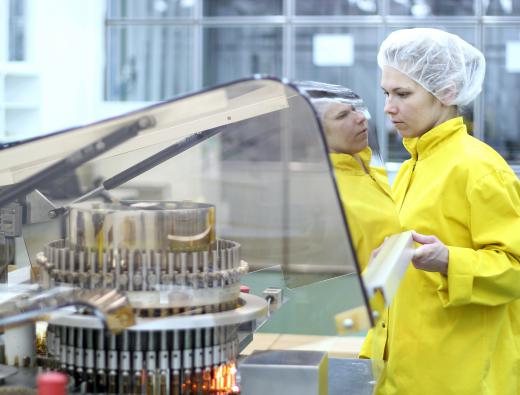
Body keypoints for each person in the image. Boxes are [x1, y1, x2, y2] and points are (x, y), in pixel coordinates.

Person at [373, 28, 520, 395]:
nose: (389, 107)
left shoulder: (479, 169)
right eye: (387, 93)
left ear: (448, 92)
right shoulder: (412, 166)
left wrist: (449, 261)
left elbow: (515, 269)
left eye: (403, 94)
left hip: (462, 377)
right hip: (407, 371)